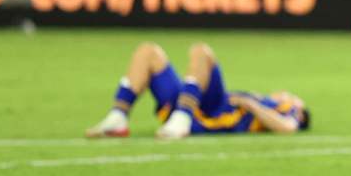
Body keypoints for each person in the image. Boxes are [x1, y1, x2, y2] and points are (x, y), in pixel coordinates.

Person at [86, 40, 308, 140]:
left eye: (294, 96)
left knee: (202, 51)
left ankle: (182, 118)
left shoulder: (288, 109)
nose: (287, 93)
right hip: (192, 100)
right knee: (148, 51)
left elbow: (287, 129)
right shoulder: (265, 99)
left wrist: (251, 104)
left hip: (214, 110)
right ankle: (118, 118)